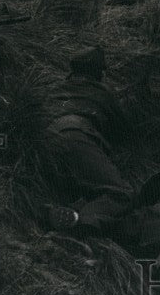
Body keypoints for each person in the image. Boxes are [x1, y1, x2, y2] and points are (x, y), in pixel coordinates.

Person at [39, 47, 135, 238]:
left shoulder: (54, 89)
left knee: (84, 186)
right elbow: (125, 132)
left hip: (42, 142)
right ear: (97, 72)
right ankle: (77, 226)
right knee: (121, 193)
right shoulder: (101, 92)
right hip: (75, 136)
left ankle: (52, 212)